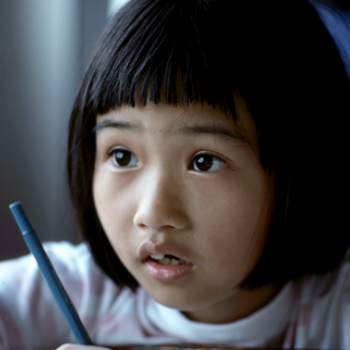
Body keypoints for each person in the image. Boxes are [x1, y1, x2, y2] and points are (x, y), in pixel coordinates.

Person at [1, 0, 350, 349]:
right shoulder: (65, 292)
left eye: (204, 162)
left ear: (304, 168)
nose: (152, 213)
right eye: (122, 156)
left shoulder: (335, 315)